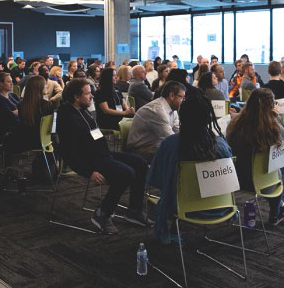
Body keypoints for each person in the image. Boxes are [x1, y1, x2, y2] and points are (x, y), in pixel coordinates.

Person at [57, 78, 149, 234]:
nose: (92, 96)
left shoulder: (83, 111)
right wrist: (89, 172)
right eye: (87, 94)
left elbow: (94, 134)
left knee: (139, 162)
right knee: (126, 173)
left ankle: (134, 211)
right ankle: (102, 214)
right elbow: (69, 153)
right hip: (89, 161)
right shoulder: (67, 117)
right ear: (76, 97)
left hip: (102, 154)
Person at [226, 88, 284, 225]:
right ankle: (275, 215)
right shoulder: (271, 127)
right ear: (271, 105)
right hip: (265, 181)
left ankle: (280, 205)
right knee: (276, 173)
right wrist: (278, 117)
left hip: (237, 178)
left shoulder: (235, 122)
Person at [126, 81, 184, 162]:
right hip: (140, 150)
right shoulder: (158, 110)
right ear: (172, 96)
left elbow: (178, 131)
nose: (183, 101)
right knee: (177, 154)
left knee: (180, 151)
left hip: (154, 145)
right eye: (181, 97)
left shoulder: (172, 109)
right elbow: (170, 139)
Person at [18, 75, 55, 151]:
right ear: (39, 88)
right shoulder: (47, 105)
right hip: (43, 140)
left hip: (24, 140)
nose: (46, 86)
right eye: (44, 85)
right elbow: (50, 128)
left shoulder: (21, 105)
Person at [0, 71, 20, 145]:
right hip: (6, 129)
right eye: (8, 82)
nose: (12, 83)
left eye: (11, 81)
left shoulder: (13, 96)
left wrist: (17, 112)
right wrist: (17, 112)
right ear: (1, 84)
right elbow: (9, 117)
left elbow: (23, 108)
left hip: (17, 125)